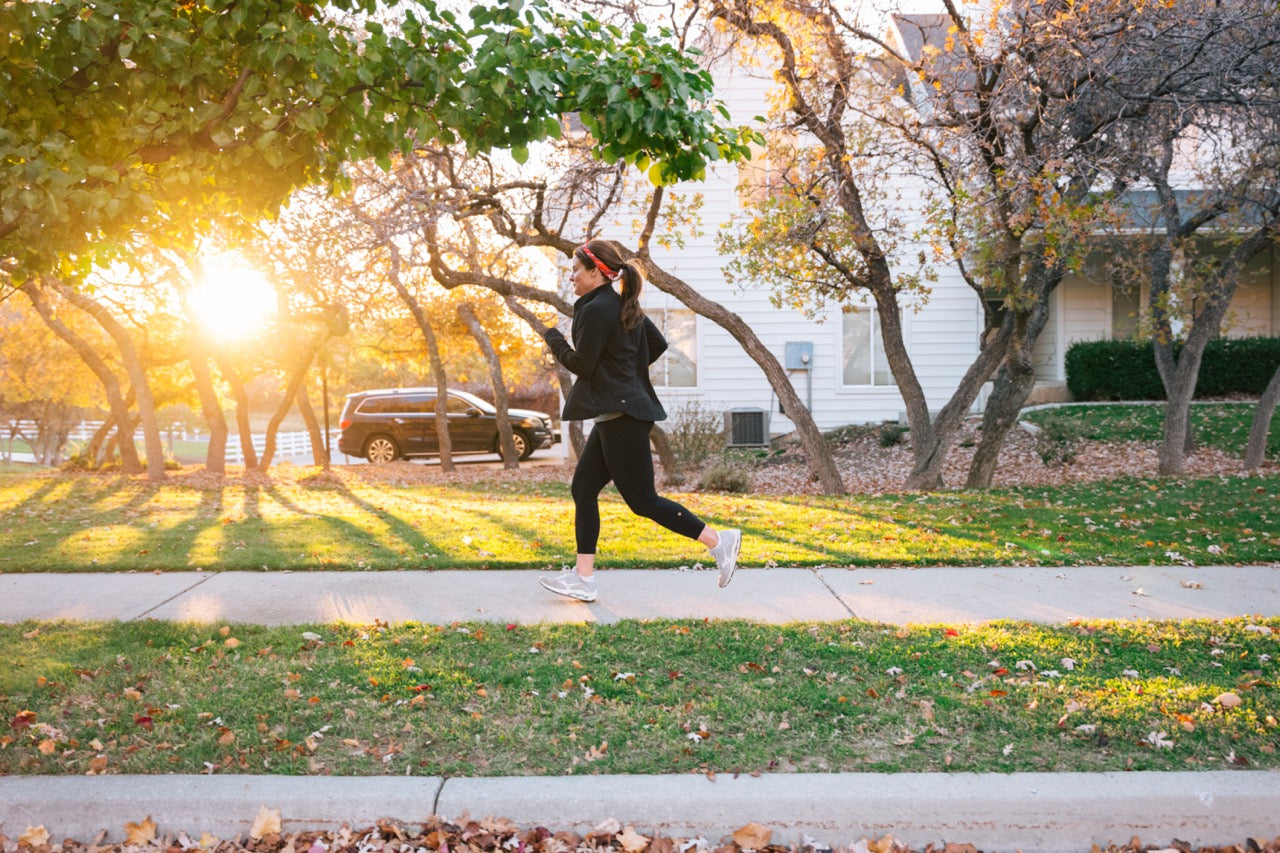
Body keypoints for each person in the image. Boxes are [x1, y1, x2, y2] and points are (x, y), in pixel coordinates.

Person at [535, 239, 741, 603]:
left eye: (575, 270)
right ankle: (583, 579)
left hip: (623, 416)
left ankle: (718, 541)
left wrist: (552, 337)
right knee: (583, 488)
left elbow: (582, 365)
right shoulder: (619, 304)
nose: (571, 278)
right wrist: (624, 375)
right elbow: (656, 345)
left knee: (643, 500)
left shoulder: (598, 308)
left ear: (596, 272)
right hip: (619, 413)